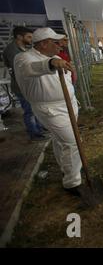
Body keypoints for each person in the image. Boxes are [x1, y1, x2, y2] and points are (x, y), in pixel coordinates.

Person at [14, 27, 82, 195]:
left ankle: (67, 170)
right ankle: (73, 182)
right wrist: (51, 63)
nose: (60, 46)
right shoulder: (23, 58)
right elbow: (31, 69)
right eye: (56, 42)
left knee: (62, 142)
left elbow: (65, 77)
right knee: (72, 141)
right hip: (49, 108)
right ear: (44, 44)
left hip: (68, 103)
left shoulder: (56, 57)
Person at [2, 26, 47, 141]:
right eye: (28, 37)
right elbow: (21, 69)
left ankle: (40, 128)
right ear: (19, 36)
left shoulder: (23, 48)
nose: (31, 39)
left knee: (35, 108)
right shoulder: (12, 51)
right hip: (21, 86)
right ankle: (34, 134)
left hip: (28, 84)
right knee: (29, 111)